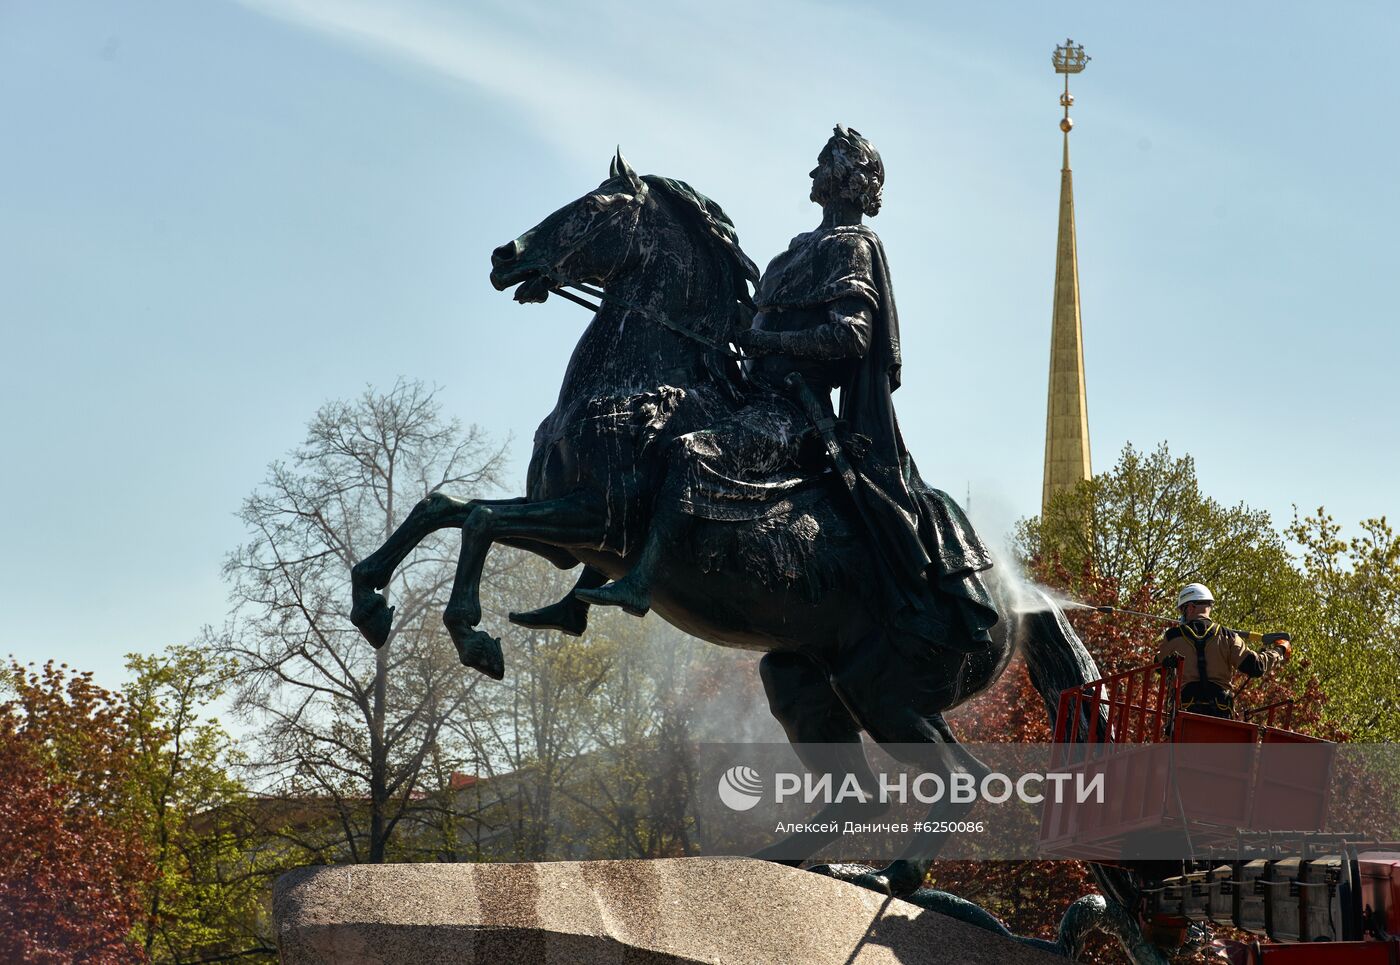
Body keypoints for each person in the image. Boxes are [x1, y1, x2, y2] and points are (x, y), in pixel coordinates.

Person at [571, 126, 997, 650]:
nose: (814, 174)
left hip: (794, 411)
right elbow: (763, 322)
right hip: (752, 393)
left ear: (846, 180)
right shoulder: (793, 251)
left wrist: (760, 339)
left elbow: (852, 336)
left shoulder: (851, 246)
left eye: (824, 165)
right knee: (646, 441)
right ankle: (577, 601)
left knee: (689, 452)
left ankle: (640, 585)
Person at [1156, 583, 1291, 718]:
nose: (1182, 615)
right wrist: (1279, 650)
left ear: (1191, 608)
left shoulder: (1173, 636)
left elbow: (1158, 664)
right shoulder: (1228, 636)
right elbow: (1256, 666)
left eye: (1182, 610)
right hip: (1220, 714)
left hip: (1187, 713)